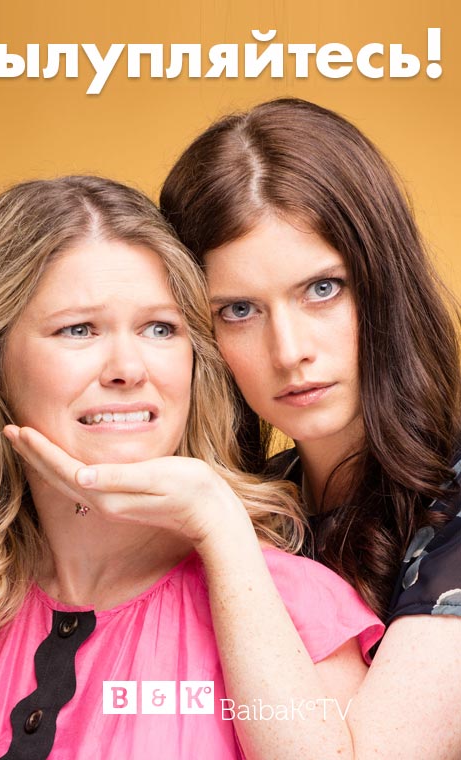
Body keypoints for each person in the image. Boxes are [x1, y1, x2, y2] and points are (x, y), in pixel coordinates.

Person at [0, 175, 382, 760]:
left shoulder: (292, 604)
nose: (128, 368)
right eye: (79, 329)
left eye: (160, 329)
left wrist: (215, 517)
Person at [160, 97, 461, 757]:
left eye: (322, 289)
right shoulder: (254, 505)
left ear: (384, 283)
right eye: (239, 310)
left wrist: (219, 528)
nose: (289, 350)